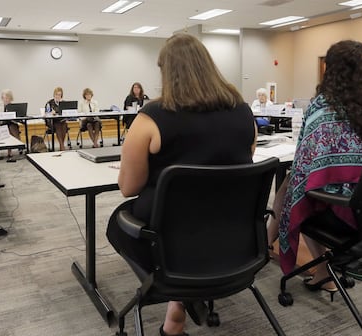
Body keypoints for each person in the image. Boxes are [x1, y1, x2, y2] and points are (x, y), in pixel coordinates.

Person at [106, 33, 257, 336]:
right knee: (194, 224)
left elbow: (128, 187)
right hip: (231, 228)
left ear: (165, 72)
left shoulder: (152, 117)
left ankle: (177, 289)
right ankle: (181, 299)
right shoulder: (243, 111)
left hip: (170, 232)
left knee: (118, 224)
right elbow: (242, 164)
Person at [271, 40, 362, 296]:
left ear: (328, 70)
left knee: (295, 190)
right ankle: (269, 246)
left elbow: (303, 167)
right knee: (291, 185)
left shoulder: (323, 107)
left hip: (348, 214)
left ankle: (319, 272)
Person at [0, 89, 20, 162]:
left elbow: (17, 116)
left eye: (8, 98)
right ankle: (16, 145)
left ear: (10, 98)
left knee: (11, 127)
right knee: (8, 128)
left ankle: (13, 147)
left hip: (12, 123)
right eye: (4, 98)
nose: (6, 99)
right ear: (2, 98)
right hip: (2, 123)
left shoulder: (13, 105)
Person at [45, 87, 68, 151]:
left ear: (61, 95)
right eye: (56, 94)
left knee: (64, 124)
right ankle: (62, 146)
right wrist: (50, 113)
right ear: (54, 95)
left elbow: (66, 112)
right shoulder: (49, 102)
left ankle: (61, 145)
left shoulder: (64, 103)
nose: (58, 96)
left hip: (62, 121)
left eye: (59, 95)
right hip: (52, 122)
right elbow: (46, 113)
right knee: (58, 125)